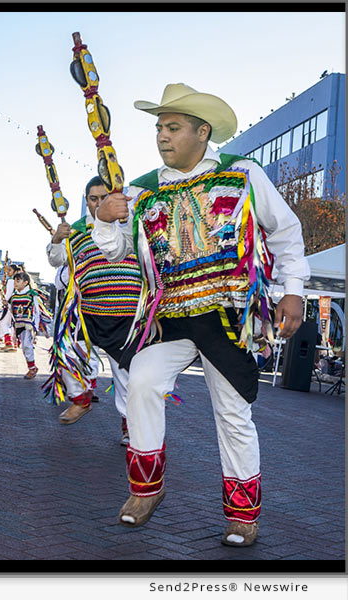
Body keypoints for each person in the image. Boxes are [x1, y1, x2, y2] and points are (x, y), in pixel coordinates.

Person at [92, 83, 309, 546]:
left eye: (172, 128)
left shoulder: (243, 174)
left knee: (232, 413)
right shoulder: (143, 190)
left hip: (228, 317)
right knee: (143, 384)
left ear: (202, 132)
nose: (162, 137)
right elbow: (116, 250)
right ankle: (146, 489)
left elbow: (286, 231)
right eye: (158, 128)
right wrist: (106, 217)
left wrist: (294, 291)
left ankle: (242, 515)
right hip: (168, 318)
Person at [47, 176, 143, 445]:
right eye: (93, 199)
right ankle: (81, 398)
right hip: (88, 313)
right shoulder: (76, 231)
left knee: (126, 377)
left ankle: (130, 428)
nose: (99, 203)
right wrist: (56, 239)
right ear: (86, 201)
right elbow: (57, 260)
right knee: (66, 353)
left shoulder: (133, 224)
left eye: (104, 197)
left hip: (128, 314)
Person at [9, 271, 44, 379]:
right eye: (14, 281)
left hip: (28, 324)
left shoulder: (32, 294)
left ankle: (32, 368)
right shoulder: (14, 296)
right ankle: (32, 367)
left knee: (27, 346)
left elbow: (37, 311)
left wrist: (36, 327)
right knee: (24, 347)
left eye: (18, 281)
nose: (15, 283)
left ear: (26, 282)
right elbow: (11, 311)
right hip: (18, 324)